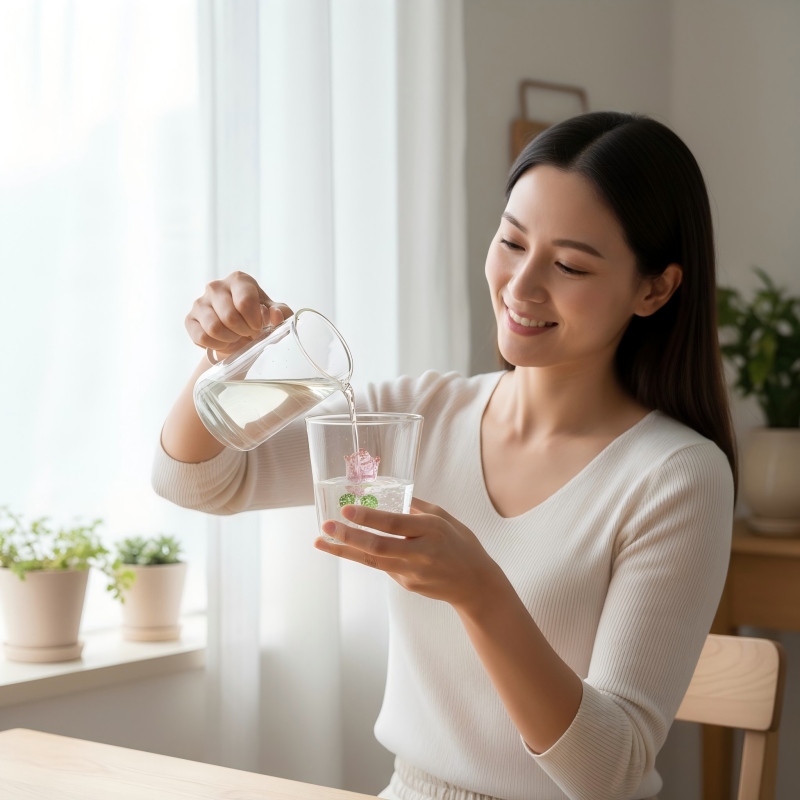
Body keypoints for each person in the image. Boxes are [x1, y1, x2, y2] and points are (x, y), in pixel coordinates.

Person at [153, 111, 735, 800]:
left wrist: (479, 591)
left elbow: (608, 774)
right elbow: (197, 481)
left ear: (654, 289)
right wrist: (224, 358)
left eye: (570, 265)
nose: (521, 286)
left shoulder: (675, 477)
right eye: (511, 242)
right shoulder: (419, 417)